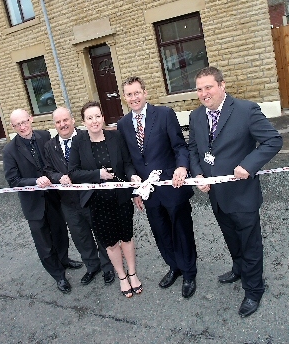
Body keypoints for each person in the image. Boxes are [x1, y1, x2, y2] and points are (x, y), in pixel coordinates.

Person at [188, 66, 283, 317]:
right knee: (231, 237)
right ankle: (239, 268)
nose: (204, 93)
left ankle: (254, 290)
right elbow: (193, 149)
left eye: (208, 87)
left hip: (242, 195)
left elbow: (273, 140)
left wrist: (248, 165)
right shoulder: (197, 116)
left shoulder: (246, 110)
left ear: (222, 85)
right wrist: (198, 174)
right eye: (199, 89)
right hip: (217, 196)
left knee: (249, 243)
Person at [117, 76, 197, 298]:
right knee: (161, 233)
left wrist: (182, 167)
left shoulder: (164, 114)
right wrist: (135, 188)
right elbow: (128, 161)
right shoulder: (123, 125)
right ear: (125, 97)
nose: (134, 98)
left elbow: (180, 146)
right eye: (129, 94)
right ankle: (175, 267)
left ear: (145, 92)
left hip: (173, 186)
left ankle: (190, 273)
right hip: (148, 193)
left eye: (137, 92)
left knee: (181, 231)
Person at [3, 109, 83, 294]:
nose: (23, 127)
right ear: (13, 127)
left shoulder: (44, 136)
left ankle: (64, 259)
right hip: (33, 204)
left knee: (60, 233)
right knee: (44, 243)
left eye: (25, 122)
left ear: (31, 119)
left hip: (53, 197)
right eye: (18, 125)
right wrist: (34, 182)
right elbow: (13, 181)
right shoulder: (9, 150)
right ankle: (58, 276)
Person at [68, 101, 143, 298]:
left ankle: (133, 274)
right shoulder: (78, 142)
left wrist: (132, 177)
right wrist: (97, 174)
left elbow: (127, 163)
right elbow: (73, 172)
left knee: (126, 237)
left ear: (103, 117)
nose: (94, 121)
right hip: (97, 202)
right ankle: (122, 277)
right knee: (110, 243)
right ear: (83, 121)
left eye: (97, 116)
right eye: (89, 118)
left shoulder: (116, 136)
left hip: (121, 198)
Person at [44, 106, 115, 286]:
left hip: (91, 195)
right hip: (68, 202)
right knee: (80, 236)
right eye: (58, 122)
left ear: (73, 120)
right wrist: (58, 177)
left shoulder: (87, 137)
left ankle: (108, 267)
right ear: (55, 125)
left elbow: (97, 164)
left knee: (100, 233)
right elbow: (47, 170)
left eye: (65, 120)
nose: (63, 124)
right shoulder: (50, 146)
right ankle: (92, 267)